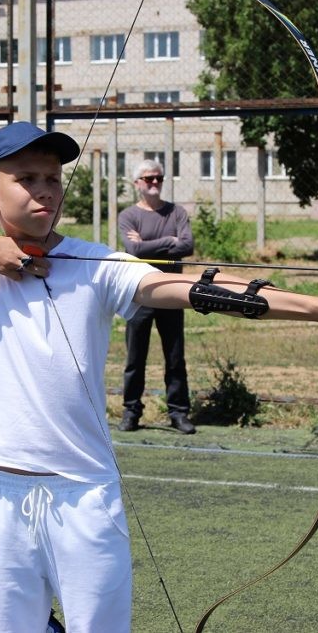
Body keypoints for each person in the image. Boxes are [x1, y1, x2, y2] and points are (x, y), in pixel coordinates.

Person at [0, 122, 318, 633]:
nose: (45, 190)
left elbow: (190, 290)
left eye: (53, 178)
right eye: (27, 179)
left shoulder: (97, 263)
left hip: (84, 497)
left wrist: (315, 307)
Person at [117, 158, 196, 434]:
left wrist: (150, 245)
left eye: (158, 178)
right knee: (135, 357)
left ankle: (178, 412)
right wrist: (168, 242)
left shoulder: (177, 212)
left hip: (173, 291)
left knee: (175, 356)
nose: (154, 183)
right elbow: (134, 251)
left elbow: (187, 245)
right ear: (137, 183)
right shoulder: (127, 215)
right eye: (148, 178)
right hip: (139, 293)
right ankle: (131, 411)